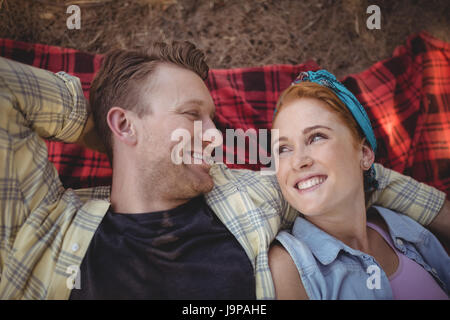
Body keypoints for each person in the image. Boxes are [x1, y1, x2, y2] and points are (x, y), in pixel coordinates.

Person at [0, 42, 448, 299]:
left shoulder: (253, 197)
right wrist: (106, 130)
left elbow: (348, 170)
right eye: (192, 116)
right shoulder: (41, 225)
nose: (216, 137)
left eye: (213, 120)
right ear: (124, 123)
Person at [268, 70, 450, 300]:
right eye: (283, 149)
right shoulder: (288, 266)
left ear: (364, 154)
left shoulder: (401, 226)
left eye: (316, 137)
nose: (298, 161)